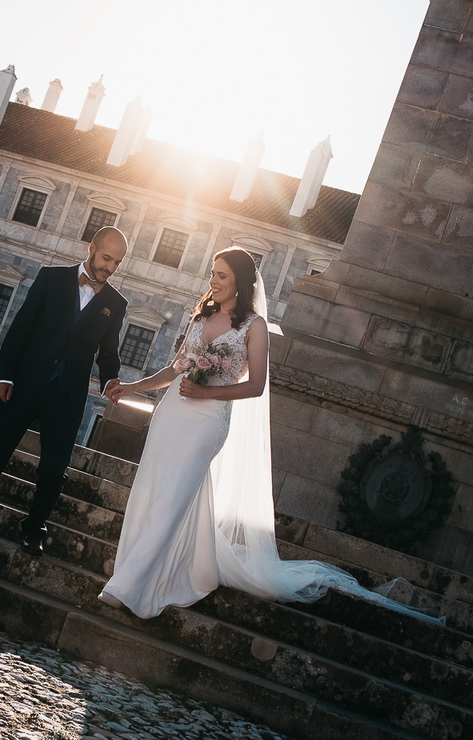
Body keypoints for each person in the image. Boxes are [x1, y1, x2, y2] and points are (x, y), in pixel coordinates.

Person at [99, 247, 444, 624]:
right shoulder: (203, 314)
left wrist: (208, 392)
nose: (213, 281)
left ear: (241, 283)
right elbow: (174, 368)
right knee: (154, 491)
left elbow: (256, 386)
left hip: (207, 421)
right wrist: (131, 388)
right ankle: (179, 565)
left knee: (174, 496)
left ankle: (128, 586)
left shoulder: (254, 327)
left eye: (222, 276)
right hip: (173, 413)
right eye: (212, 273)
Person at [0, 227, 128, 562]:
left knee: (53, 471)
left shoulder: (116, 303)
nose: (110, 268)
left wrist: (110, 379)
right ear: (91, 248)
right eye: (106, 258)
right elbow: (20, 328)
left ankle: (33, 529)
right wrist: (4, 375)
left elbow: (108, 353)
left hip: (67, 397)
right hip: (23, 385)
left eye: (117, 263)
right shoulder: (51, 278)